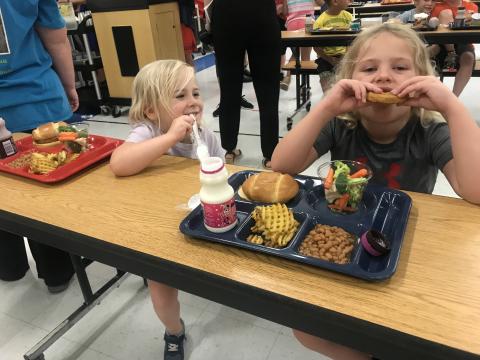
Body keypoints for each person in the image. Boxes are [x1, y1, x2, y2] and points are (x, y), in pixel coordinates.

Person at [271, 23, 480, 358]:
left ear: (422, 79)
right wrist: (326, 105)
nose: (383, 77)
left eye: (399, 68)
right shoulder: (342, 124)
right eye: (369, 69)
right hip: (344, 247)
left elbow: (476, 189)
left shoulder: (428, 130)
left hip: (405, 256)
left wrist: (451, 107)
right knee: (304, 327)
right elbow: (281, 166)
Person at [109, 59, 224, 360]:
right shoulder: (148, 131)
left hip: (198, 220)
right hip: (157, 228)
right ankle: (174, 331)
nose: (193, 103)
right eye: (180, 96)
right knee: (162, 292)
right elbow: (119, 164)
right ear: (150, 110)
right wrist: (171, 137)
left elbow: (225, 174)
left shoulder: (207, 137)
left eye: (196, 93)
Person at [0, 0, 78, 293]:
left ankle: (8, 266)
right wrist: (69, 85)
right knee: (45, 191)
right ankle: (56, 272)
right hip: (35, 99)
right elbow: (56, 39)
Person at [210, 0, 281, 168]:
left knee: (229, 87)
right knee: (268, 90)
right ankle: (271, 155)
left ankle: (228, 149)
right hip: (261, 12)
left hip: (226, 14)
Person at [430, 0, 477, 96]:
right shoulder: (437, 6)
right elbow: (432, 25)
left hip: (464, 43)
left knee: (468, 57)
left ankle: (453, 98)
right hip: (441, 45)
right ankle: (451, 53)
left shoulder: (471, 6)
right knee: (446, 13)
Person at [312, 0, 352, 92]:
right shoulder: (320, 22)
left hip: (345, 56)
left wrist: (346, 56)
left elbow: (353, 41)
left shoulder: (348, 17)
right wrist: (330, 59)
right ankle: (329, 98)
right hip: (325, 58)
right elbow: (316, 47)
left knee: (350, 76)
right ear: (335, 2)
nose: (349, 1)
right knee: (326, 80)